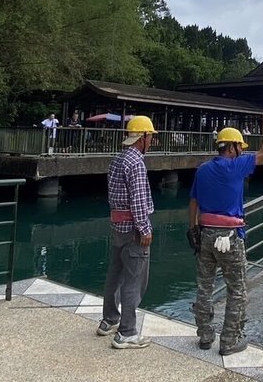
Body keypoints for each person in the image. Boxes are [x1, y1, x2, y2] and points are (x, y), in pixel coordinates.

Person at [188, 113, 263, 356]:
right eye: (240, 146)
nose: (241, 150)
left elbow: (193, 202)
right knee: (237, 289)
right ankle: (229, 341)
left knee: (204, 287)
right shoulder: (237, 166)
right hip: (229, 236)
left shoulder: (202, 170)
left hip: (204, 233)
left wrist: (193, 229)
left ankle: (205, 336)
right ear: (234, 147)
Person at [97, 115, 157, 349]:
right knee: (134, 279)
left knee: (115, 274)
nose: (151, 141)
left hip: (118, 226)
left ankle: (108, 319)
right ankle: (127, 332)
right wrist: (144, 228)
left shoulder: (118, 159)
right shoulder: (137, 163)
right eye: (150, 136)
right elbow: (139, 200)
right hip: (133, 228)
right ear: (142, 137)